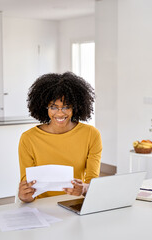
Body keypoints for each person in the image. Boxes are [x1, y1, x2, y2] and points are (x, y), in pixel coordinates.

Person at [18, 72, 102, 203]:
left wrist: (84, 188)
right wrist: (24, 196)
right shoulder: (28, 138)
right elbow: (27, 186)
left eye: (66, 107)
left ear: (76, 106)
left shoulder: (91, 134)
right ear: (44, 107)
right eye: (53, 107)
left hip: (74, 203)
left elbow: (93, 183)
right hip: (40, 207)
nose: (60, 113)